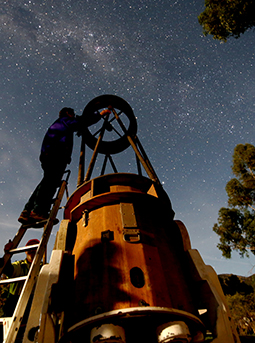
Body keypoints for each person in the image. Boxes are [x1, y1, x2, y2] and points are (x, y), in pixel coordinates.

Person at [18, 107, 111, 224]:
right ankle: (39, 212)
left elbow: (79, 123)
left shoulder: (61, 124)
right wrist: (100, 114)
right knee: (50, 182)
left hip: (49, 153)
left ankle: (27, 211)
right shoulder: (65, 120)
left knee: (46, 181)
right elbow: (80, 122)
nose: (74, 115)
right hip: (56, 154)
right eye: (72, 113)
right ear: (67, 113)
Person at [2, 239, 40, 317]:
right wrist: (7, 254)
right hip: (15, 303)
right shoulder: (20, 265)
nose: (33, 250)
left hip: (35, 304)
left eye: (35, 248)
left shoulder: (43, 267)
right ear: (25, 251)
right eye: (30, 248)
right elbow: (9, 270)